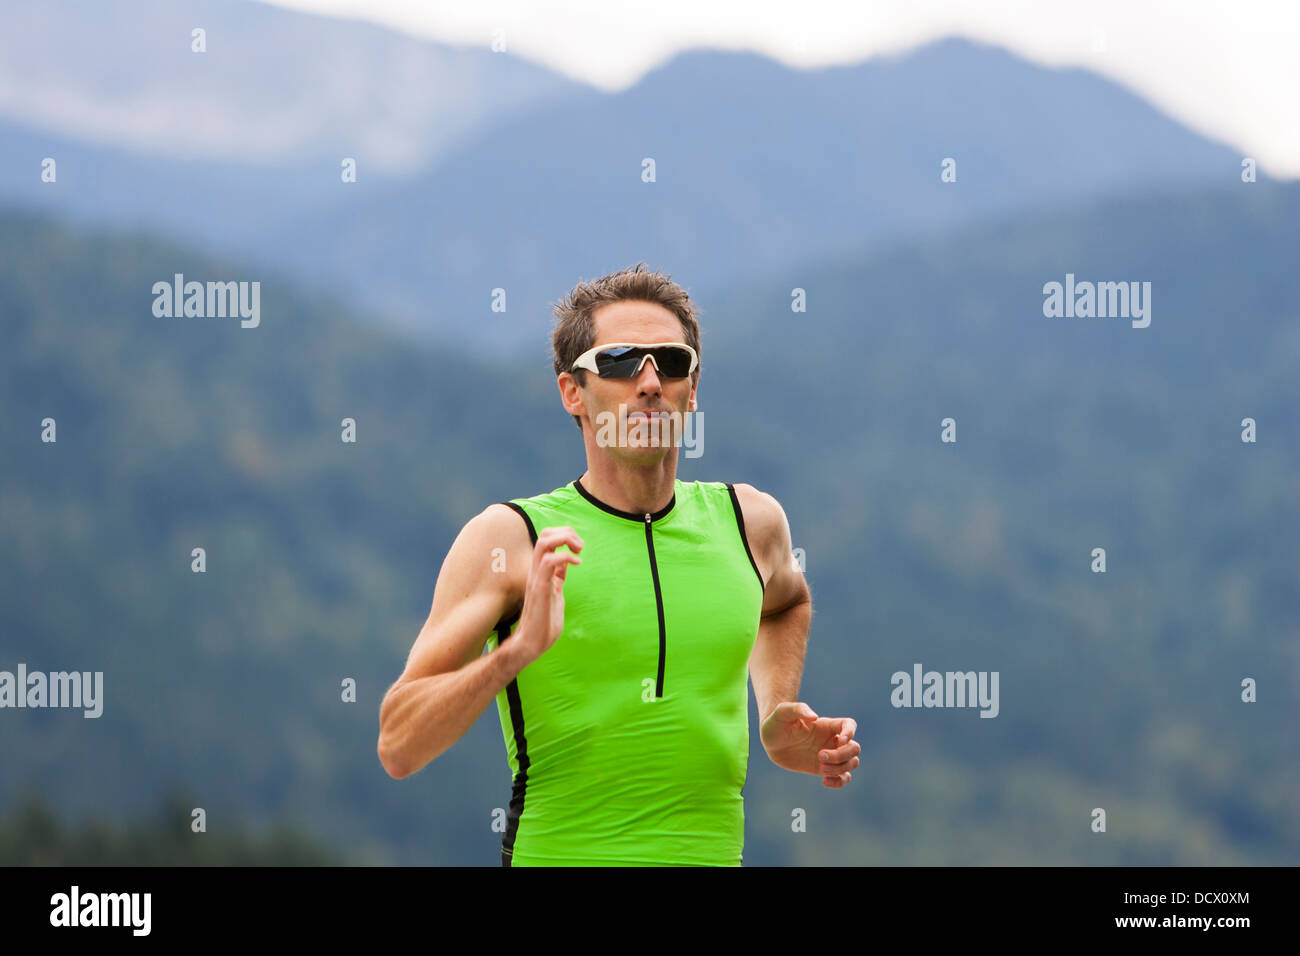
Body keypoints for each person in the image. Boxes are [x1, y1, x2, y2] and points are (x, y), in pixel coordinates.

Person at [377, 263, 860, 866]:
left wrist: (777, 712)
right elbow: (398, 744)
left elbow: (787, 600)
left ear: (694, 387)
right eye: (621, 361)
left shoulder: (750, 522)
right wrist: (516, 652)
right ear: (571, 392)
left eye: (671, 362)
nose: (650, 381)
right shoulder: (512, 539)